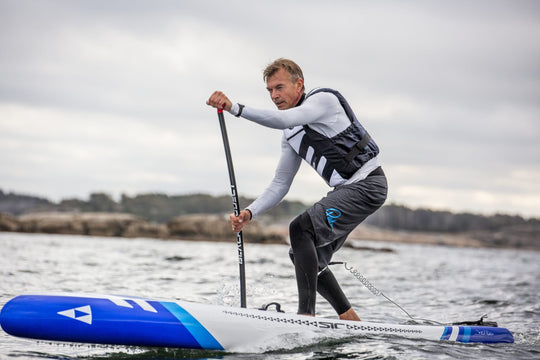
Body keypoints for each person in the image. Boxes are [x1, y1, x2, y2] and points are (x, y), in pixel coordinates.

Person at [206, 58, 387, 321]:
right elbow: (280, 183)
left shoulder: (323, 101)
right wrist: (250, 212)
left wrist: (234, 108)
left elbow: (284, 118)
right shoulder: (291, 134)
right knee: (305, 255)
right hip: (350, 190)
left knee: (300, 228)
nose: (274, 95)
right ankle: (349, 318)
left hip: (368, 184)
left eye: (279, 87)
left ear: (299, 84)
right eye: (269, 90)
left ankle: (306, 317)